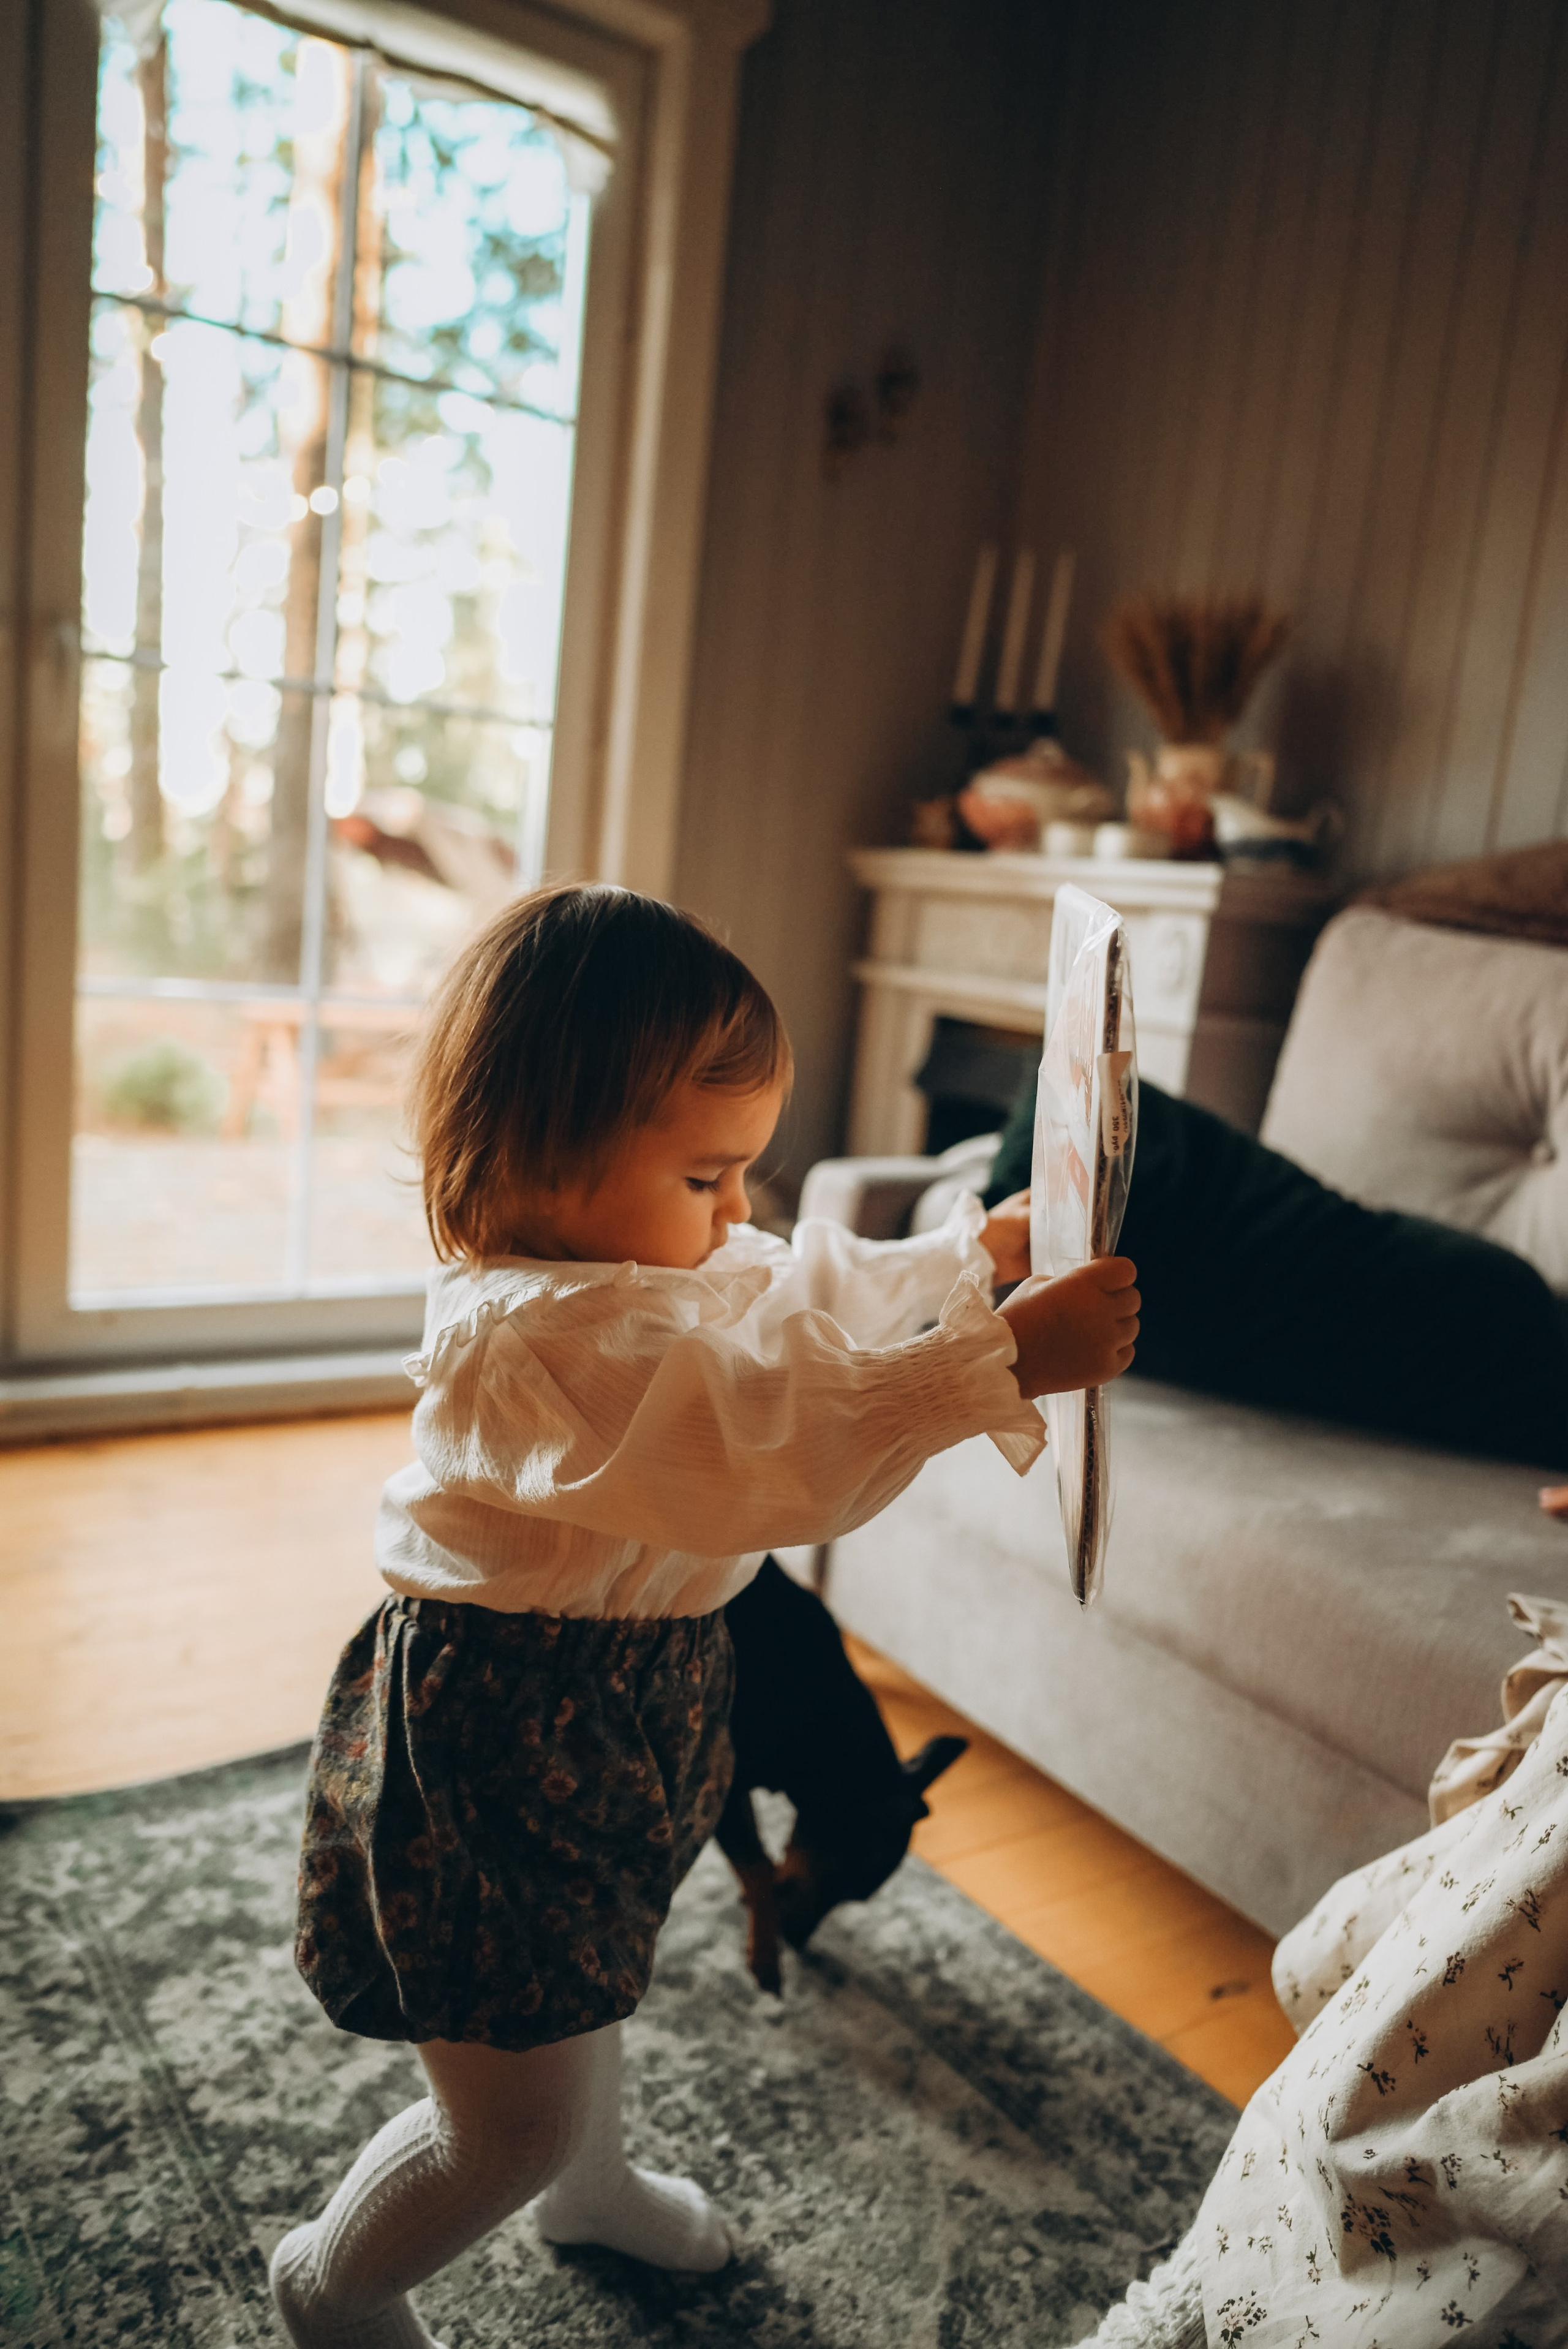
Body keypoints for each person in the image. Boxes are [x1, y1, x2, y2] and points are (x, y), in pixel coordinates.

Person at [270, 882, 1140, 2349]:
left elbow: (794, 1298)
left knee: (587, 1973)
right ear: (542, 1160)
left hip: (625, 1696)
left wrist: (964, 1263)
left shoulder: (645, 1255)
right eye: (705, 1174)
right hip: (498, 1730)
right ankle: (336, 2280)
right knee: (502, 2109)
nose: (738, 1207)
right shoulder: (532, 1342)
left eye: (742, 1169)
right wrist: (986, 1364)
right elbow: (760, 1448)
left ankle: (585, 2185)